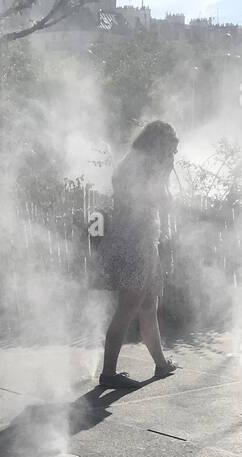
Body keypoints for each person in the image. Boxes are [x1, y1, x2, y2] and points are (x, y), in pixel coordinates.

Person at [96, 121, 181, 389]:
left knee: (147, 307)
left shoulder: (135, 161)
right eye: (169, 146)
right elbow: (151, 200)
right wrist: (165, 175)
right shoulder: (140, 165)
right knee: (127, 308)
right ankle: (108, 373)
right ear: (157, 142)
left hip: (143, 241)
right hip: (135, 242)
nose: (171, 153)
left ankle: (161, 364)